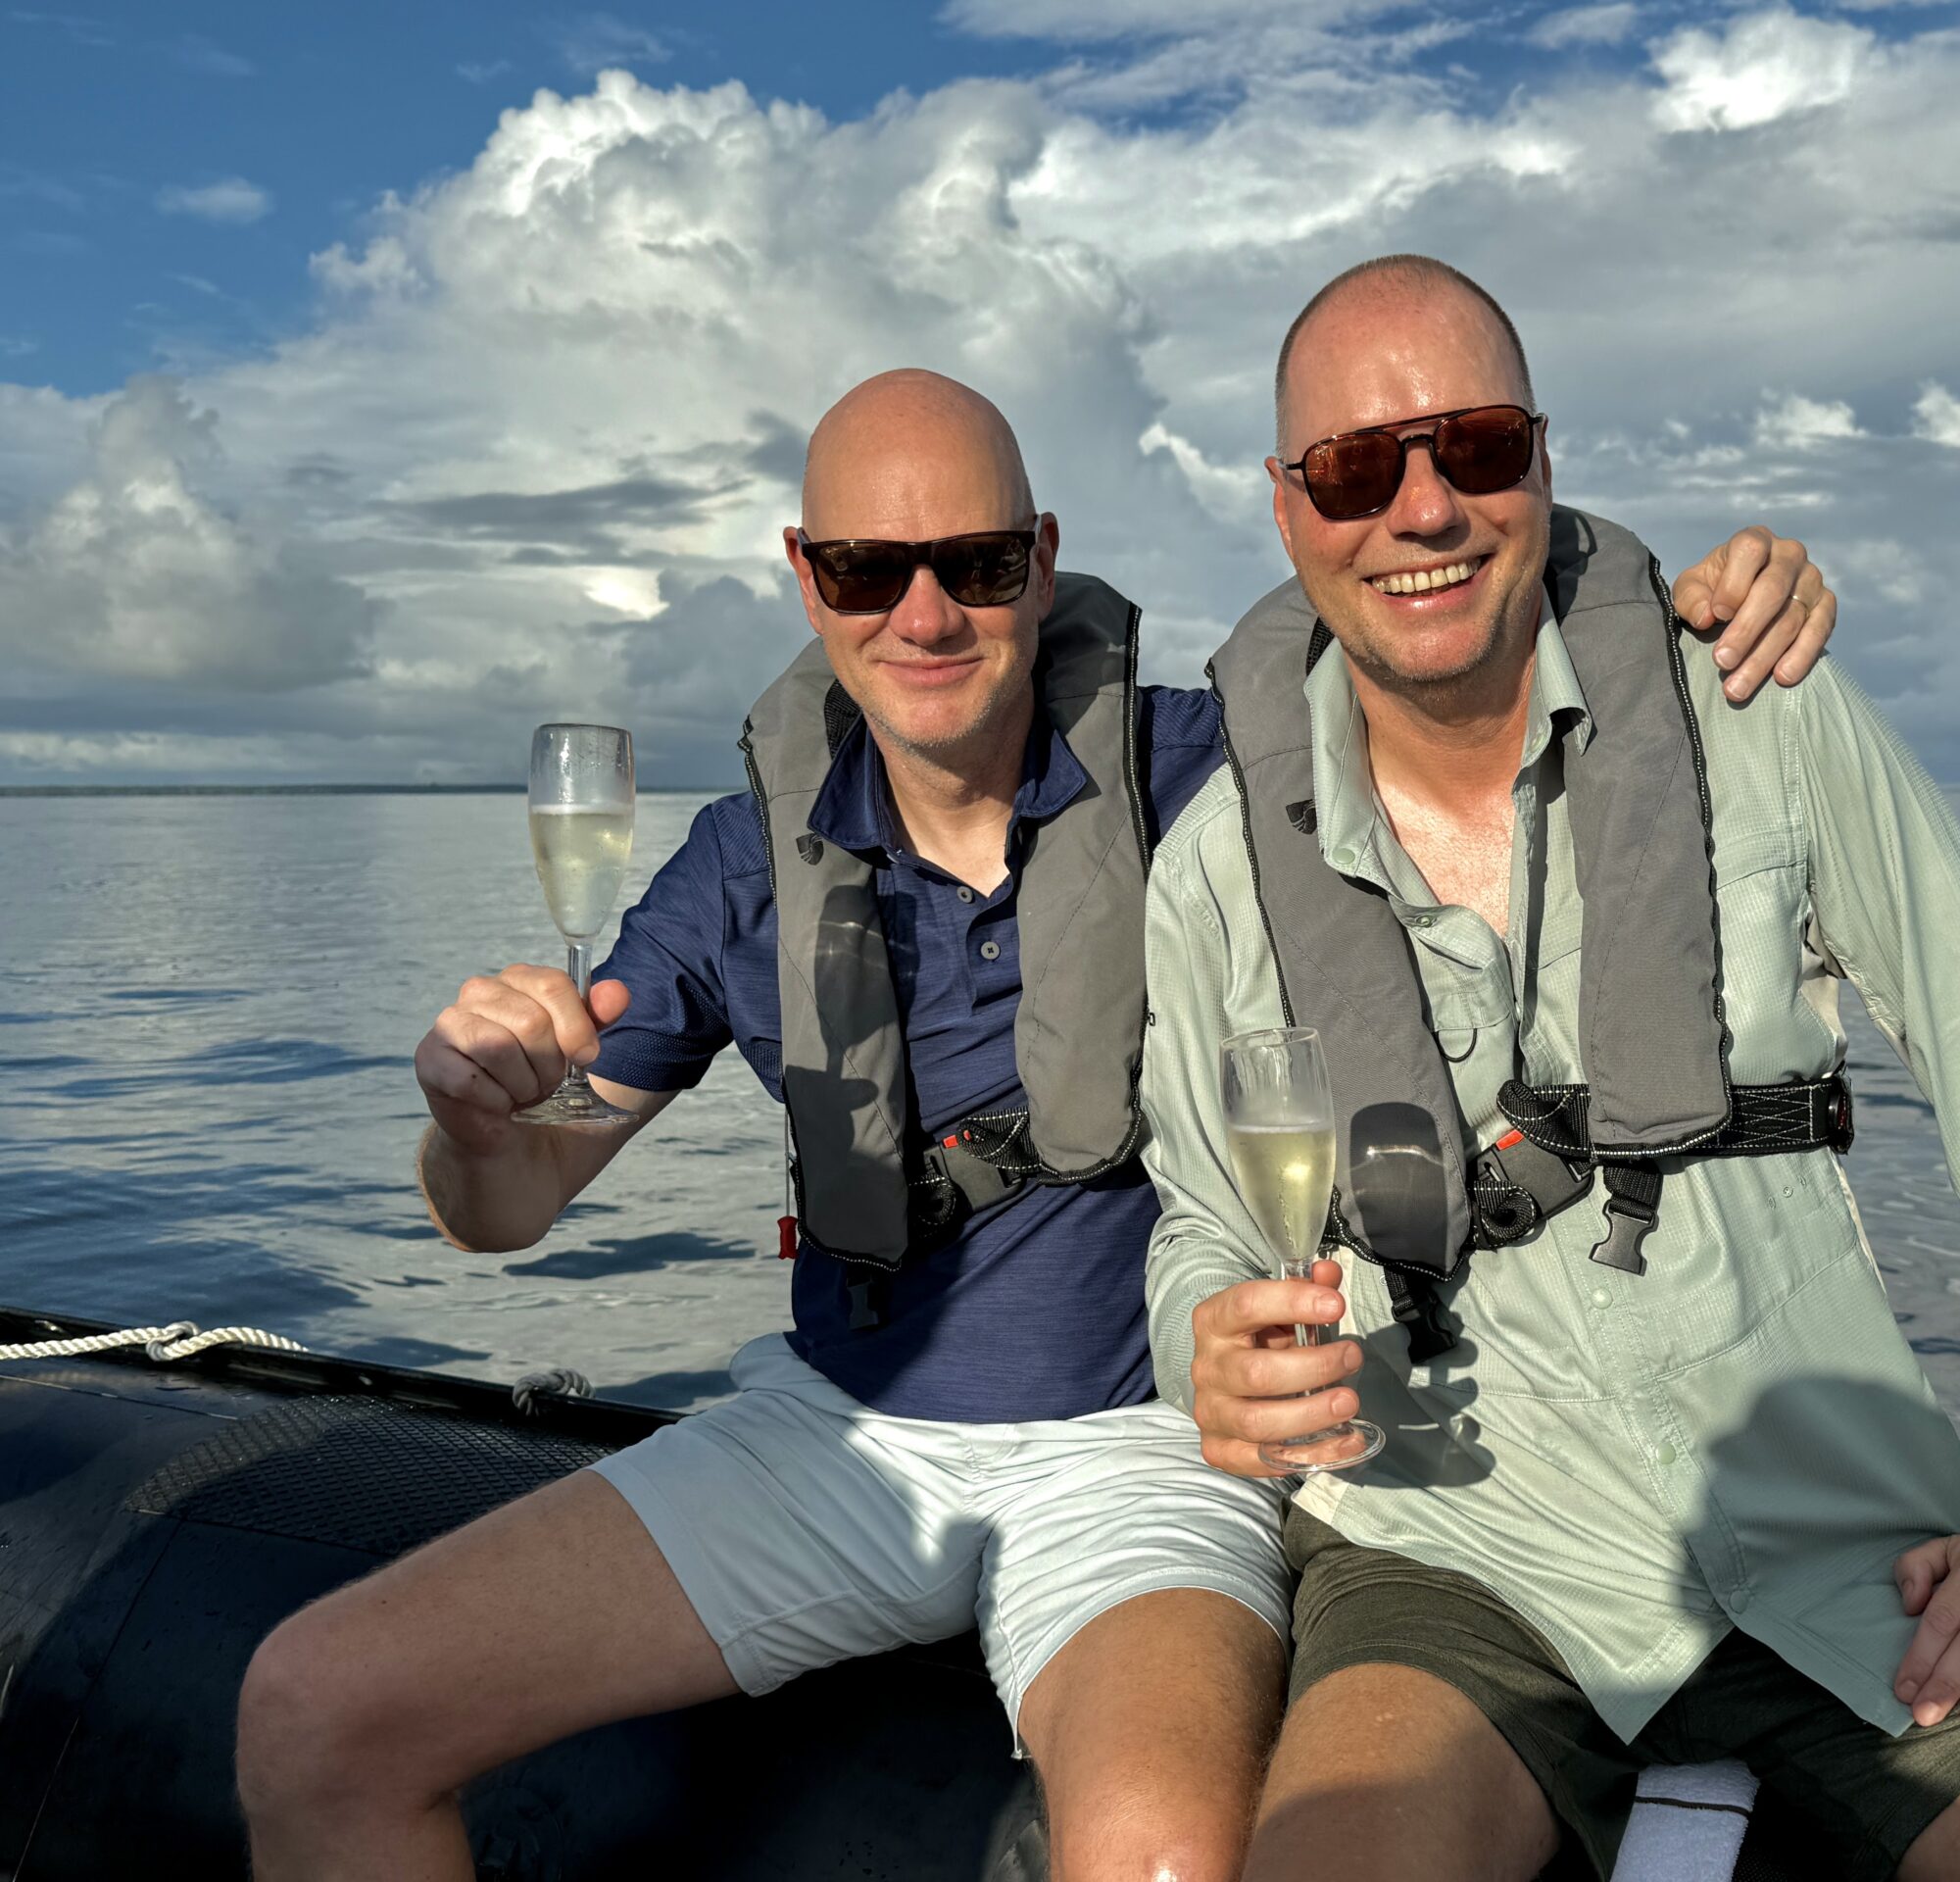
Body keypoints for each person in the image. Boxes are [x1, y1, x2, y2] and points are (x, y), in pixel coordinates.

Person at [232, 366, 1839, 1882]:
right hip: (833, 1437)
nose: (926, 614)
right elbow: (504, 1209)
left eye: (978, 563)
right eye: (870, 569)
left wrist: (1670, 624)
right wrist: (473, 1120)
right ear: (808, 581)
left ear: (1043, 559)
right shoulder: (743, 861)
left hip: (1145, 1456)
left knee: (1157, 1860)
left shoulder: (1216, 775)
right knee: (314, 1709)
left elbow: (1465, 681)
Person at [1144, 256, 1960, 1882]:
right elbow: (1204, 1220)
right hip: (1457, 1557)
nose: (1421, 511)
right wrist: (1201, 1347)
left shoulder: (1764, 713)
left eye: (1471, 447)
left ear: (1541, 463)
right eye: (1354, 468)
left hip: (1854, 1555)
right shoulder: (1215, 867)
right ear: (1288, 511)